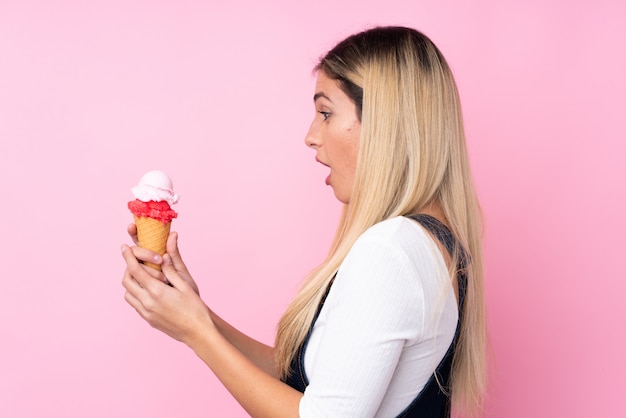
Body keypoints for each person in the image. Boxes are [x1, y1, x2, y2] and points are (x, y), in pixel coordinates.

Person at [121, 26, 487, 418]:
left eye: (326, 113)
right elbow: (316, 388)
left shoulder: (391, 250)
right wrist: (195, 312)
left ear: (385, 123)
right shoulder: (431, 244)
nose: (311, 137)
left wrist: (196, 332)